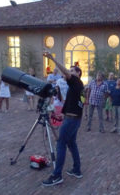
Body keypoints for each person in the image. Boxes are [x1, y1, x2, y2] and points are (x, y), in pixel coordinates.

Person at [42, 52, 84, 186]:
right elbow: (73, 102)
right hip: (73, 119)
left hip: (71, 120)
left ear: (78, 74)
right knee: (72, 143)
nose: (68, 72)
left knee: (61, 143)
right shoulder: (77, 86)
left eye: (72, 71)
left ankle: (57, 175)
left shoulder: (76, 81)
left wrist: (53, 58)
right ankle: (77, 170)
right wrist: (63, 113)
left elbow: (65, 72)